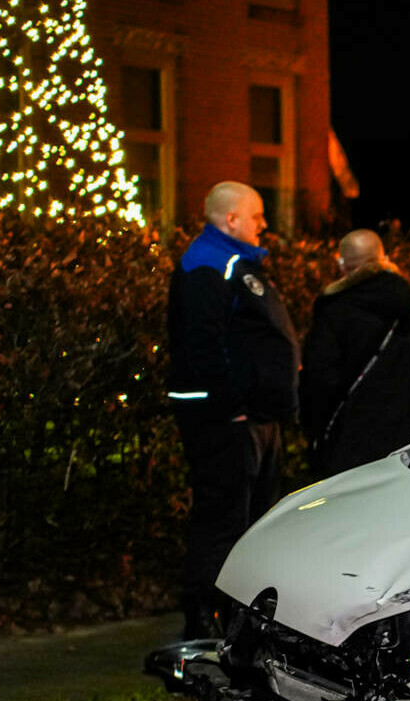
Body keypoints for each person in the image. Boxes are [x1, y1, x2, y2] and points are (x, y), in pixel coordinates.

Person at [166, 181, 299, 639]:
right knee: (224, 520)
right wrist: (231, 408)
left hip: (250, 417)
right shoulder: (209, 265)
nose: (264, 224)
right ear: (232, 220)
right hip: (227, 421)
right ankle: (207, 619)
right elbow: (203, 343)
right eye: (257, 215)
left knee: (246, 518)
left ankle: (236, 618)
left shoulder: (230, 263)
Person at [300, 229, 410, 478]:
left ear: (343, 265)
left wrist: (315, 434)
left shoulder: (334, 312)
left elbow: (319, 381)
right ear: (383, 259)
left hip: (349, 444)